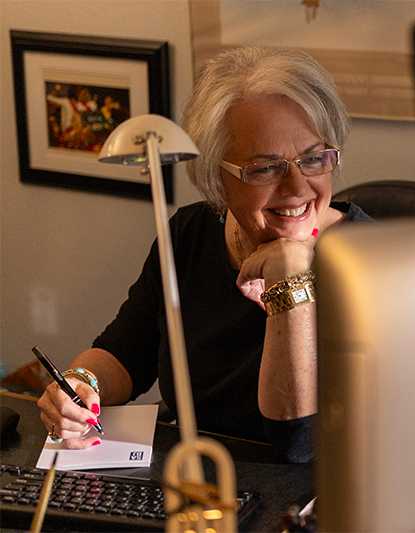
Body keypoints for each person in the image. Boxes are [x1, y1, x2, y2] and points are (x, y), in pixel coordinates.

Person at [35, 47, 370, 463]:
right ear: (216, 177)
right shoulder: (189, 234)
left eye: (314, 158)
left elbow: (299, 445)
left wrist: (292, 273)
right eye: (265, 168)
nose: (298, 187)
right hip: (194, 478)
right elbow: (125, 353)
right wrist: (79, 385)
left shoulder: (370, 264)